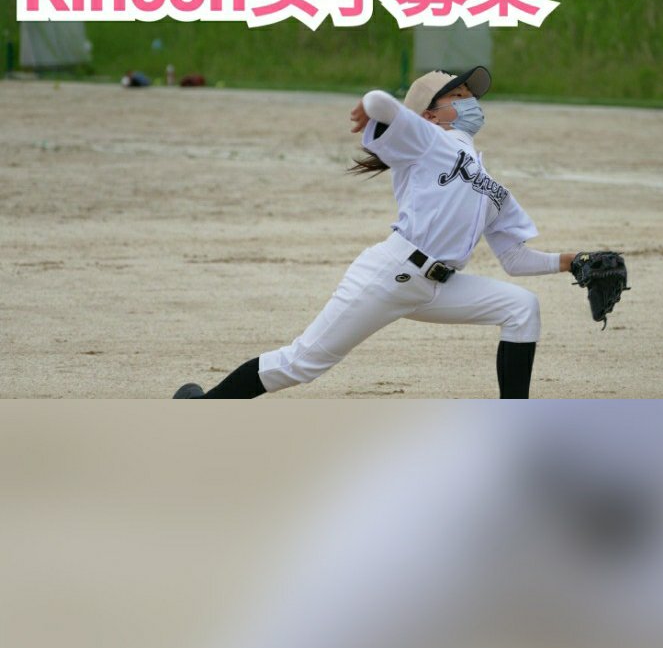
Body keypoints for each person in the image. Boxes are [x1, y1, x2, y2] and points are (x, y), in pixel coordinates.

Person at [173, 65, 576, 400]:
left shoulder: (490, 185)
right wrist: (370, 106)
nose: (470, 100)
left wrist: (573, 262)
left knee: (521, 307)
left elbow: (515, 259)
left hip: (438, 286)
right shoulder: (428, 140)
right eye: (458, 95)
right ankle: (203, 407)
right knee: (301, 363)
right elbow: (380, 101)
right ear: (429, 115)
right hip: (391, 274)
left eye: (470, 94)